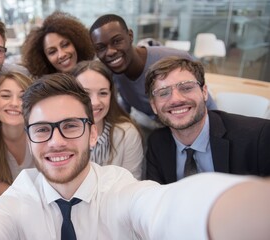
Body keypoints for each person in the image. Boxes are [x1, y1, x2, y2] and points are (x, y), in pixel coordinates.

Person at [0, 73, 270, 240]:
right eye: (42, 130)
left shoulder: (120, 188)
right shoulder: (20, 196)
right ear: (30, 138)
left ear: (90, 130)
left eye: (70, 125)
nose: (56, 142)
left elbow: (170, 207)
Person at [144, 56, 270, 184]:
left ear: (204, 92)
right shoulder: (157, 143)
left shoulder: (258, 137)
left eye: (186, 88)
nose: (176, 99)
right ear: (154, 106)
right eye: (163, 93)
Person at [89, 14, 218, 131]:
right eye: (101, 48)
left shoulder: (173, 58)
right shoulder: (112, 73)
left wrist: (214, 134)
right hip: (159, 129)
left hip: (191, 126)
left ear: (130, 36)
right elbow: (126, 101)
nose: (110, 51)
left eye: (117, 41)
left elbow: (208, 105)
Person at [71, 60, 143, 179]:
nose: (95, 102)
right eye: (85, 93)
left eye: (103, 93)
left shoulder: (127, 134)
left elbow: (132, 189)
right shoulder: (58, 136)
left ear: (111, 95)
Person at [21, 11, 94, 78]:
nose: (61, 55)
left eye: (65, 45)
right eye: (52, 52)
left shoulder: (96, 75)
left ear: (77, 43)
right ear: (45, 59)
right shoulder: (45, 91)